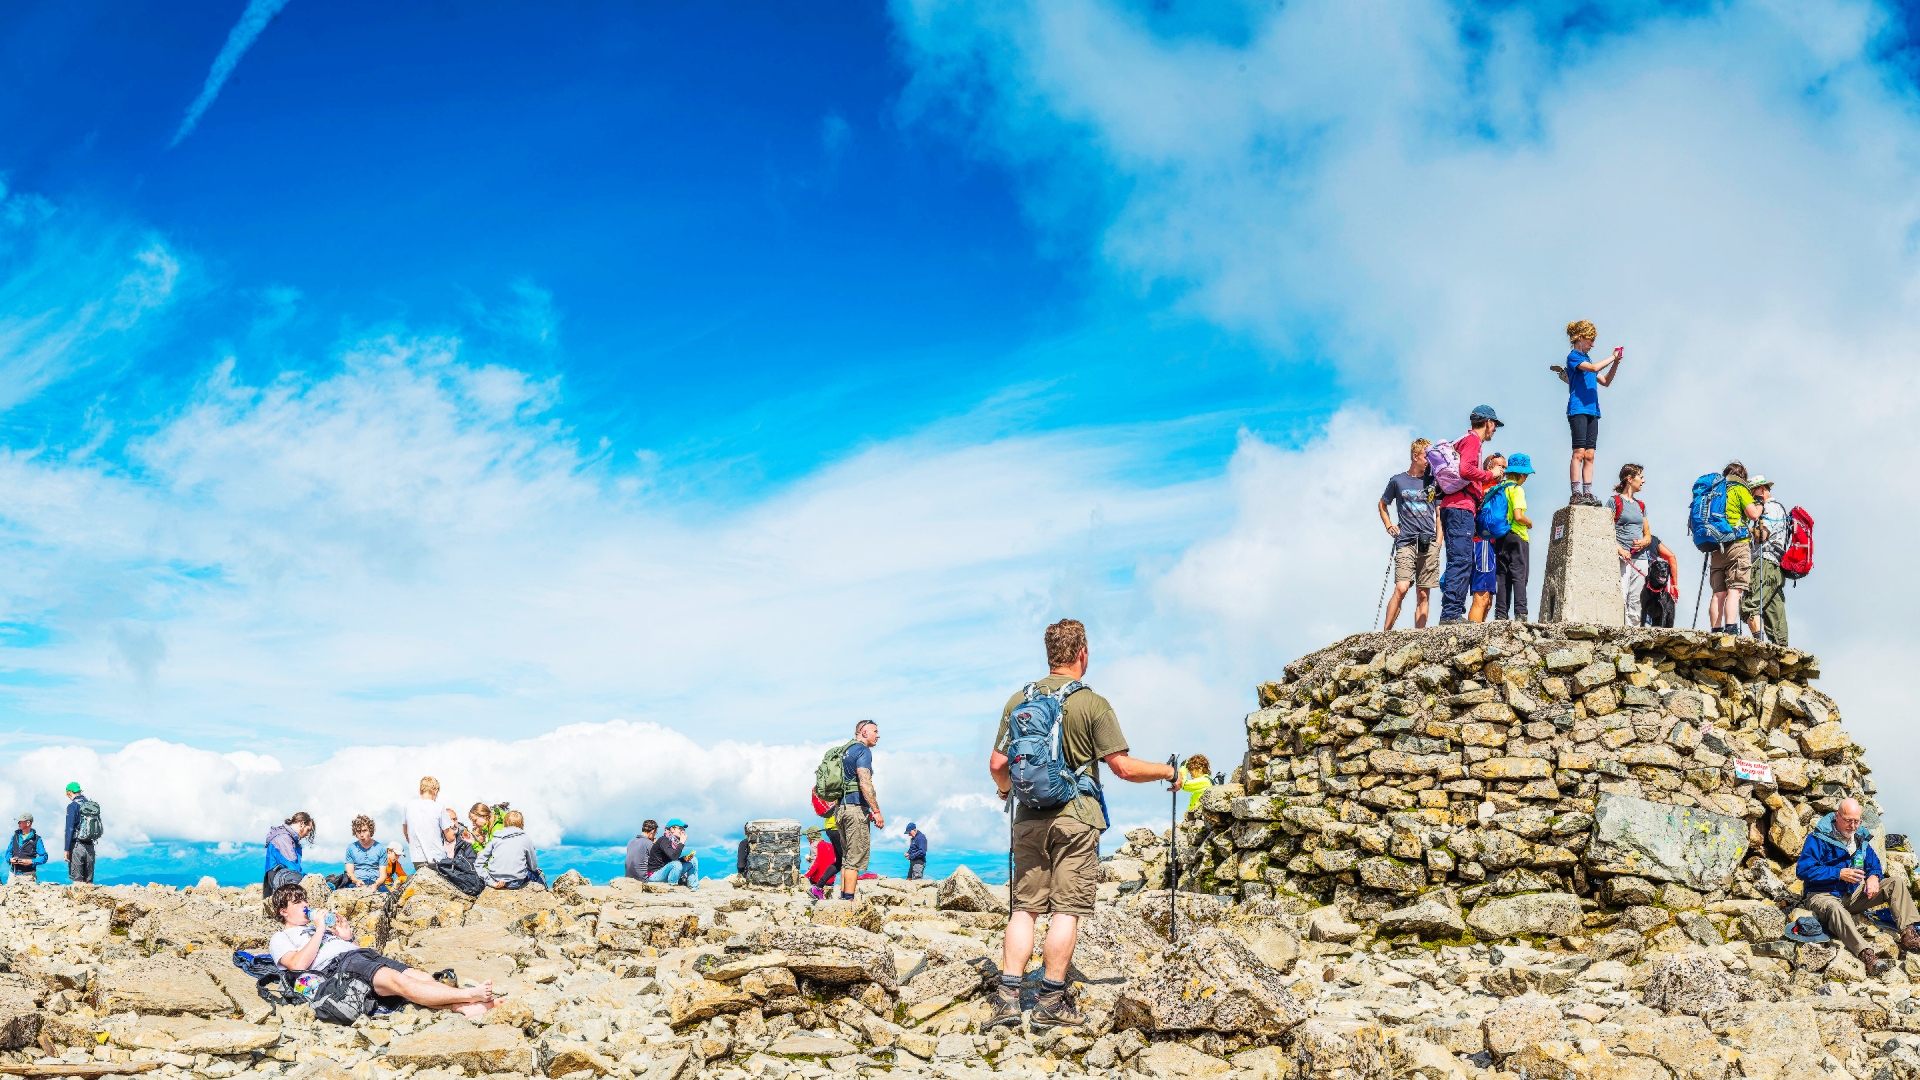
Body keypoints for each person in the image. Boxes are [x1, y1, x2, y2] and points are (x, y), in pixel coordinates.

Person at [987, 618, 1177, 1030]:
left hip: (1028, 819)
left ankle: (1006, 998)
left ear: (1049, 654)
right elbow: (1122, 768)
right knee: (1066, 910)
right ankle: (1051, 1001)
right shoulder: (1093, 704)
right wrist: (1167, 772)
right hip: (1076, 817)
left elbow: (998, 765)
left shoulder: (1020, 700)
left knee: (1024, 908)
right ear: (1082, 654)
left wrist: (1007, 792)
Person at [268, 882, 497, 1016]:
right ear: (282, 911)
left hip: (359, 955)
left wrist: (349, 938)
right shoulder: (281, 937)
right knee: (399, 983)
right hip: (338, 967)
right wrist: (319, 929)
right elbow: (298, 965)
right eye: (297, 902)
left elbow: (351, 949)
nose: (305, 904)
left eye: (304, 899)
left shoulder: (317, 929)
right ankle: (469, 996)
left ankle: (462, 1007)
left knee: (421, 977)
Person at [1796, 798, 1920, 977]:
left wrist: (1874, 877)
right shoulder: (1817, 838)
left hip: (1852, 894)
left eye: (1856, 821)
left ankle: (1910, 937)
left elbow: (1874, 864)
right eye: (1848, 820)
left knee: (1895, 883)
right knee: (1835, 908)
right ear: (1837, 816)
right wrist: (1838, 873)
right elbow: (1803, 870)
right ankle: (1867, 956)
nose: (1853, 826)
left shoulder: (1860, 839)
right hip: (1822, 894)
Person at [1438, 407, 1502, 623]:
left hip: (1454, 506)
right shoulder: (1473, 441)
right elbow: (1465, 470)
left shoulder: (1462, 440)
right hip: (1460, 507)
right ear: (1489, 423)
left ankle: (1452, 612)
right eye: (1495, 425)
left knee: (1459, 559)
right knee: (1461, 560)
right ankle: (1451, 614)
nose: (1494, 430)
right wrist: (1489, 475)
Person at [1379, 440, 1440, 630]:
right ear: (1415, 456)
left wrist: (1438, 542)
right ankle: (1385, 634)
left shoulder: (1434, 481)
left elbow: (1439, 513)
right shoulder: (1397, 480)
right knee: (1402, 587)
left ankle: (1419, 636)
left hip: (1428, 542)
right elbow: (1382, 504)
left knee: (1423, 594)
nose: (1429, 461)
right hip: (1406, 540)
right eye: (1426, 457)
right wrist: (1389, 525)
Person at [1561, 319, 1622, 506]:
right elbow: (1595, 368)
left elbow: (1605, 381)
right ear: (1580, 338)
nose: (1592, 344)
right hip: (1578, 409)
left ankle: (1588, 493)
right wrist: (1612, 356)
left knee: (1590, 454)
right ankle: (1576, 493)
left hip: (1593, 410)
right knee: (1578, 452)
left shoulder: (1587, 359)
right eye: (1590, 340)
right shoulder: (1574, 357)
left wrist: (1616, 363)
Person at [1707, 462, 1760, 635]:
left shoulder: (1715, 492)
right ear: (1742, 476)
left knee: (1718, 593)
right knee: (1735, 590)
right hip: (1738, 544)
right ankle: (1730, 629)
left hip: (1716, 547)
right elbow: (1753, 514)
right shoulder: (1739, 489)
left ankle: (1715, 630)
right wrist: (1758, 503)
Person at [836, 720, 884, 902]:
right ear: (864, 733)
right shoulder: (863, 751)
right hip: (855, 809)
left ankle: (843, 897)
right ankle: (849, 901)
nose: (878, 735)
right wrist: (876, 811)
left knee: (847, 857)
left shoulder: (844, 751)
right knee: (855, 858)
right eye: (875, 731)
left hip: (841, 808)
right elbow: (865, 782)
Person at [1742, 476, 1790, 645]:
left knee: (1749, 606)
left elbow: (1762, 535)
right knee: (1774, 613)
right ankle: (1783, 652)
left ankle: (1759, 646)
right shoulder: (1781, 509)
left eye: (1752, 492)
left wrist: (1744, 530)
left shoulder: (1769, 508)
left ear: (1761, 489)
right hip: (1777, 567)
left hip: (1764, 563)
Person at [1493, 453, 1534, 621]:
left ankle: (1501, 614)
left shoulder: (1499, 488)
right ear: (1522, 474)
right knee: (1519, 574)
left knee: (1502, 575)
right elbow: (1518, 516)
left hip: (1501, 536)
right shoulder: (1517, 490)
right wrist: (1529, 522)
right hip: (1517, 535)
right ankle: (1521, 613)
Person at [1611, 464, 1653, 625]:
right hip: (1623, 558)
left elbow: (1647, 534)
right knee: (1620, 595)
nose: (1643, 480)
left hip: (1640, 558)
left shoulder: (1641, 505)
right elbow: (1606, 530)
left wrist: (1643, 543)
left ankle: (1632, 635)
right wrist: (1620, 550)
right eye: (1640, 477)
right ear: (1629, 479)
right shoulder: (1614, 501)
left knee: (1637, 600)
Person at [1467, 453, 1506, 622]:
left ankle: (1478, 639)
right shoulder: (1481, 486)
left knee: (1488, 601)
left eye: (1505, 467)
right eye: (1500, 466)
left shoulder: (1498, 488)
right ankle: (1471, 639)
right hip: (1480, 543)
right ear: (1489, 467)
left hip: (1490, 545)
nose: (1503, 471)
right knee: (1481, 596)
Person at [478, 811, 543, 889]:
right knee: (536, 874)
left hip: (496, 879)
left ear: (504, 824)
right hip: (515, 882)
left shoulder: (496, 837)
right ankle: (545, 892)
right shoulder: (525, 839)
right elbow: (533, 866)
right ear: (522, 824)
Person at [262, 812, 312, 913]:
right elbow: (292, 868)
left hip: (277, 878)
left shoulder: (289, 838)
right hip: (277, 880)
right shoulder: (283, 839)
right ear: (302, 824)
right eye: (308, 830)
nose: (307, 834)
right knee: (301, 880)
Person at [402, 778, 451, 872]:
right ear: (435, 791)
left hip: (417, 858)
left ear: (420, 791)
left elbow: (406, 832)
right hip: (437, 857)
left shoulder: (409, 805)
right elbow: (450, 837)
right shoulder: (439, 807)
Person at [1640, 536, 1680, 628]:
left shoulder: (1629, 534)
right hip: (1653, 584)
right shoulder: (1652, 539)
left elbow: (1671, 557)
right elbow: (1671, 557)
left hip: (1650, 584)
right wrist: (1674, 584)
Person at [62, 783, 97, 885]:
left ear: (69, 793)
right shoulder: (91, 806)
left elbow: (69, 828)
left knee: (77, 880)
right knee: (89, 881)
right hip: (90, 845)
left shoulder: (72, 806)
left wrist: (66, 849)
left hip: (77, 846)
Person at [646, 819, 699, 886]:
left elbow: (670, 860)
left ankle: (694, 887)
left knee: (693, 860)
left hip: (667, 871)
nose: (682, 832)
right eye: (680, 829)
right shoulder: (664, 840)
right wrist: (682, 843)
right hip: (655, 875)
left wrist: (683, 859)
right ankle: (672, 887)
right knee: (676, 864)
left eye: (683, 830)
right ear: (672, 829)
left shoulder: (674, 842)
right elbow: (673, 859)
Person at [337, 816, 384, 889]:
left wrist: (376, 885)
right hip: (356, 882)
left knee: (389, 898)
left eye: (364, 831)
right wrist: (356, 881)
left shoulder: (380, 848)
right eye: (359, 832)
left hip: (375, 882)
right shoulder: (351, 848)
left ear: (370, 831)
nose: (362, 835)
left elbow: (383, 875)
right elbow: (349, 872)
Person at [6, 814, 46, 884]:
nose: (18, 823)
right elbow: (8, 852)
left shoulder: (36, 839)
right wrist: (10, 859)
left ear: (28, 823)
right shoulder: (14, 837)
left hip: (28, 877)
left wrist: (31, 862)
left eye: (21, 821)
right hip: (13, 875)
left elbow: (44, 857)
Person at [803, 826, 839, 899]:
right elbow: (826, 860)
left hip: (818, 879)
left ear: (811, 836)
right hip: (830, 879)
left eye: (808, 835)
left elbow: (815, 863)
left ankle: (817, 893)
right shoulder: (829, 844)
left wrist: (806, 875)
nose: (807, 837)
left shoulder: (814, 845)